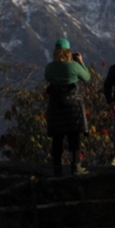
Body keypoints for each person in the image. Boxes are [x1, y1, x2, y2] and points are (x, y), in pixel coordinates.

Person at [44, 38, 91, 176]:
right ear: (68, 52)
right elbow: (87, 77)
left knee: (57, 138)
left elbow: (48, 78)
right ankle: (76, 166)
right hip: (73, 107)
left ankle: (57, 168)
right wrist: (81, 62)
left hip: (56, 105)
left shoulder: (50, 68)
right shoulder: (74, 66)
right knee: (73, 136)